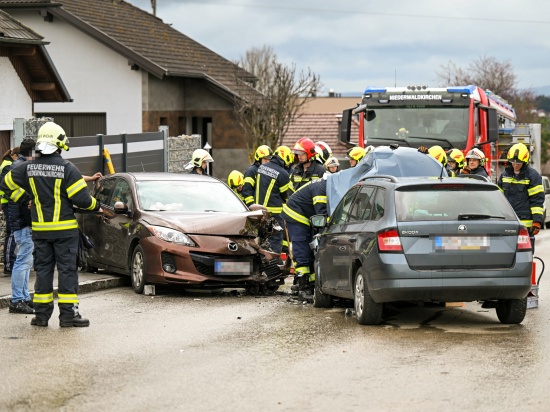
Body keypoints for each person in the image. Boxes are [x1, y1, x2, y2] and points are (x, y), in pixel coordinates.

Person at [0, 121, 102, 327]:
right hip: (64, 231)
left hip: (39, 231)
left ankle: (41, 316)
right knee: (66, 271)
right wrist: (97, 206)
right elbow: (82, 200)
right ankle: (68, 316)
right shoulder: (68, 168)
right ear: (59, 143)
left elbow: (5, 185)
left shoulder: (27, 167)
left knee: (43, 271)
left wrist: (26, 198)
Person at [282, 176, 328, 299]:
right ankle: (303, 287)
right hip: (296, 214)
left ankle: (310, 283)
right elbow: (322, 213)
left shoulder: (324, 185)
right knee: (302, 249)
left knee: (311, 249)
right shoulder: (322, 189)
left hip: (306, 216)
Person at [5, 139, 36, 314]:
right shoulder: (19, 166)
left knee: (25, 261)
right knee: (23, 261)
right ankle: (17, 300)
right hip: (22, 221)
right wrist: (27, 200)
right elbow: (11, 190)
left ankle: (23, 297)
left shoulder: (21, 165)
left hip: (22, 220)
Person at [497, 143, 544, 248]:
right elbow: (498, 199)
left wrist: (537, 221)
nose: (515, 164)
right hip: (507, 222)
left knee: (525, 253)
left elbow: (537, 200)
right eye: (513, 162)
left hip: (525, 225)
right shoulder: (504, 175)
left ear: (525, 161)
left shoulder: (532, 176)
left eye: (518, 162)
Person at [254, 146, 292, 253]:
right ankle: (273, 265)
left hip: (259, 212)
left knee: (261, 239)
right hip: (273, 215)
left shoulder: (262, 167)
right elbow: (285, 195)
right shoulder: (283, 173)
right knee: (275, 239)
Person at [0, 147, 19, 276]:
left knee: (11, 232)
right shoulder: (8, 166)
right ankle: (9, 264)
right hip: (9, 202)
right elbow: (7, 185)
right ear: (15, 156)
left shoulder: (7, 163)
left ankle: (10, 263)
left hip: (8, 202)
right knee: (11, 232)